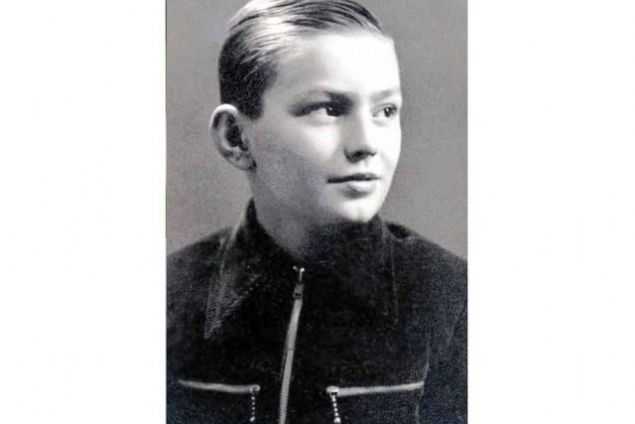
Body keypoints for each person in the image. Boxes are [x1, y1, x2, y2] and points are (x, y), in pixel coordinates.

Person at [167, 0, 467, 423]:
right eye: (328, 109)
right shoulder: (168, 299)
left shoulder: (453, 301)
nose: (366, 143)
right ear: (236, 137)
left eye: (385, 111)